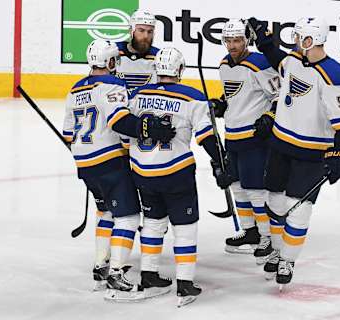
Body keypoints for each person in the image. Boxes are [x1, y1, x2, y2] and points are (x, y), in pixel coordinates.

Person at [247, 16, 340, 288]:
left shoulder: (334, 74)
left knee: (298, 210)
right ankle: (276, 248)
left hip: (311, 154)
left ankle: (287, 259)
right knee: (273, 202)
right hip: (280, 146)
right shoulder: (293, 61)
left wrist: (339, 152)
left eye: (298, 38)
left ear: (309, 40)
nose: (294, 42)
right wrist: (264, 40)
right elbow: (276, 58)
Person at [62, 40, 175, 293]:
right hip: (109, 161)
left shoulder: (74, 89)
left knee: (106, 213)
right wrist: (147, 128)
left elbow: (68, 134)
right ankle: (115, 273)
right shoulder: (113, 84)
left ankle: (99, 265)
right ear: (111, 62)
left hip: (85, 164)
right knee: (129, 216)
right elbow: (120, 122)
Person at [125, 47, 231, 306]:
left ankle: (148, 274)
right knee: (184, 228)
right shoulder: (193, 98)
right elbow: (207, 137)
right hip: (176, 173)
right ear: (181, 70)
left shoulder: (137, 96)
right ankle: (185, 283)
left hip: (142, 172)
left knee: (152, 222)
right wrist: (221, 163)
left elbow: (126, 133)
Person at [210, 19, 280, 264]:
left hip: (254, 137)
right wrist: (221, 104)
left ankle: (266, 237)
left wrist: (270, 116)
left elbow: (279, 95)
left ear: (247, 40)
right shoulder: (223, 65)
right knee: (237, 186)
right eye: (228, 40)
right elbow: (233, 96)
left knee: (255, 190)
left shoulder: (260, 64)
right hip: (233, 135)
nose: (232, 45)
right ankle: (250, 232)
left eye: (237, 40)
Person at [115, 9, 159, 95]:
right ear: (131, 31)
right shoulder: (113, 52)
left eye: (150, 32)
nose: (146, 36)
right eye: (141, 30)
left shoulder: (158, 57)